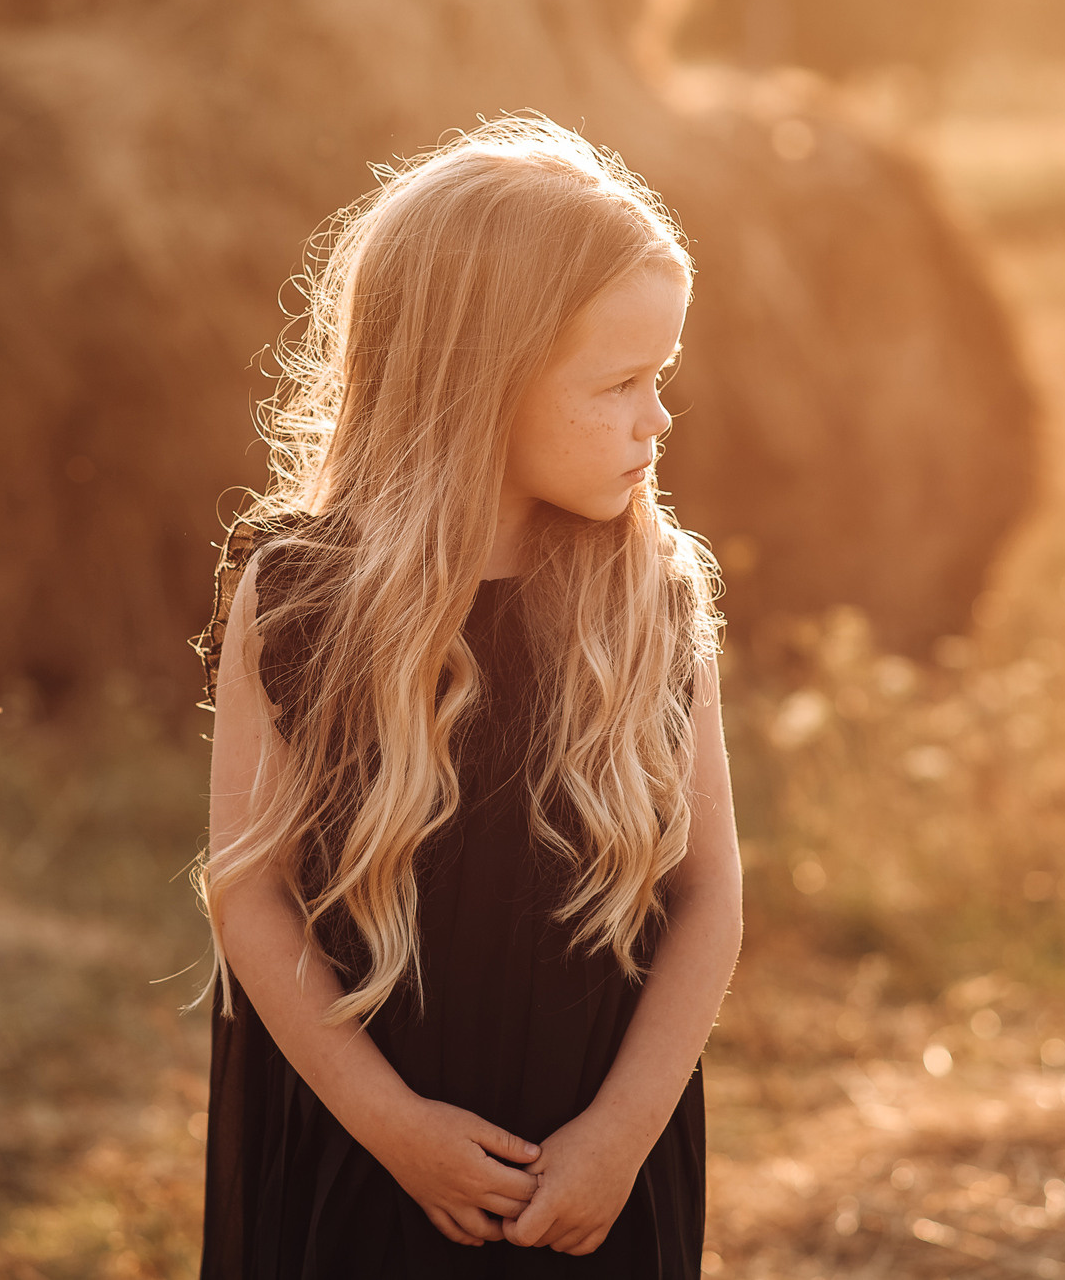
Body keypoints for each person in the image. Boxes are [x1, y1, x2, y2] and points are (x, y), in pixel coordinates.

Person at [194, 118, 744, 1277]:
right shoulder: (295, 591)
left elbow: (707, 897)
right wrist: (394, 1128)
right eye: (621, 383)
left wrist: (619, 1136)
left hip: (594, 1156)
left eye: (664, 377)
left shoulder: (648, 591)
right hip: (361, 1151)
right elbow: (251, 893)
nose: (659, 419)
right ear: (478, 382)